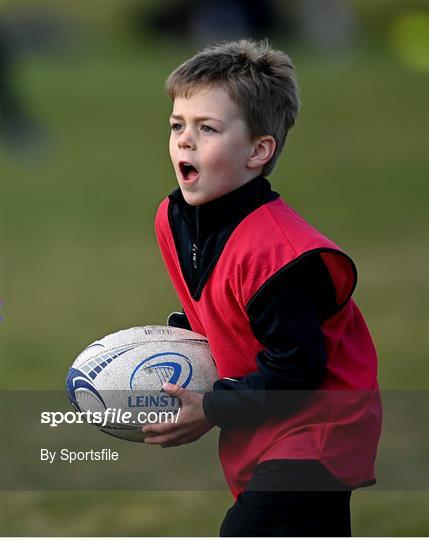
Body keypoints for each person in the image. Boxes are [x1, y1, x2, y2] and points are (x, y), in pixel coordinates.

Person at [142, 39, 382, 537]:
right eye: (177, 126)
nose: (185, 141)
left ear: (258, 151)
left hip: (318, 429)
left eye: (206, 128)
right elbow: (223, 316)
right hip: (265, 424)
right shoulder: (172, 219)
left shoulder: (279, 254)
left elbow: (297, 370)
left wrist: (209, 407)